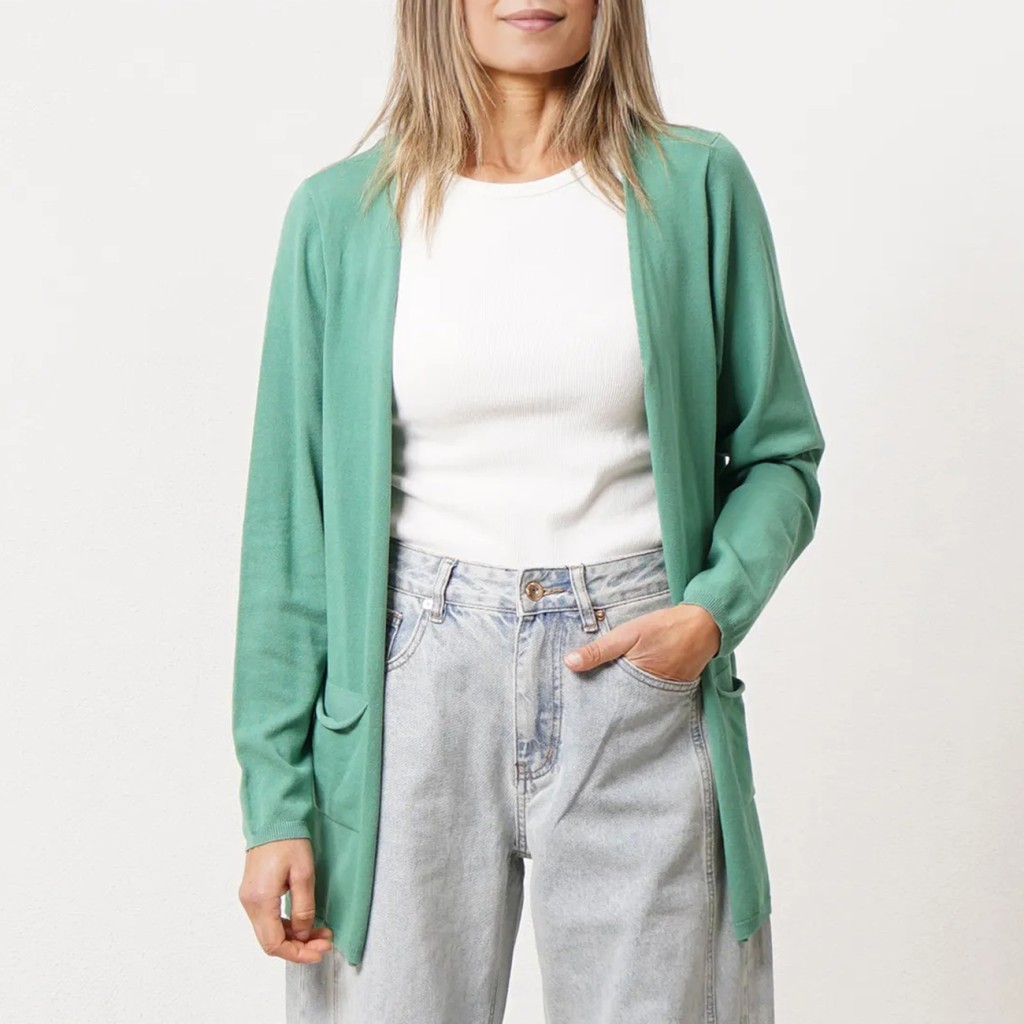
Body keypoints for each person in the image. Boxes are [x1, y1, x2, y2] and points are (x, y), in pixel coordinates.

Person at [232, 2, 826, 1021]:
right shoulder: (342, 214)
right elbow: (291, 521)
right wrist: (275, 800)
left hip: (637, 677)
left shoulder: (693, 186)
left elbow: (780, 454)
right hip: (406, 694)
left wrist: (709, 612)